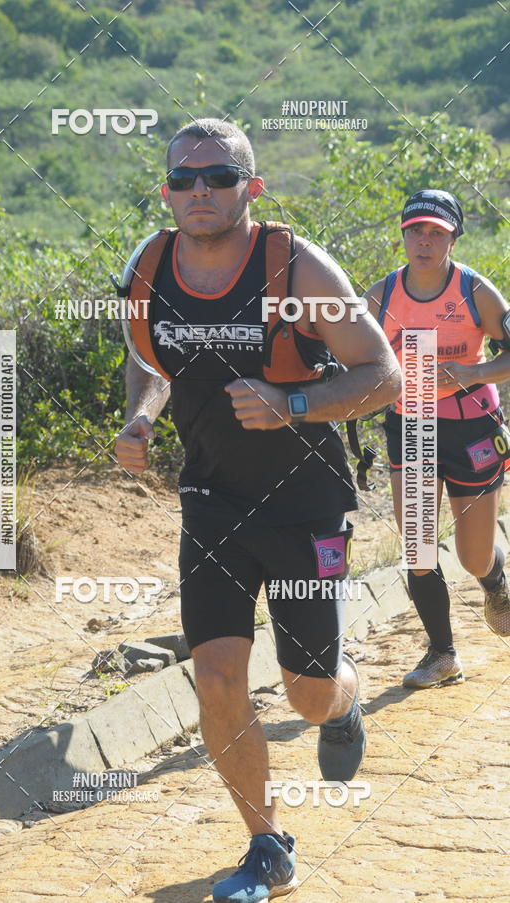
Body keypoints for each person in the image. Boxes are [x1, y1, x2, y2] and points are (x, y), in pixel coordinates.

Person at [116, 118, 401, 903]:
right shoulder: (150, 265)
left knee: (307, 692)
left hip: (306, 505)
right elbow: (146, 357)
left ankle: (344, 699)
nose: (198, 191)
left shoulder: (295, 266)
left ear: (252, 185)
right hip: (210, 502)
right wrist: (141, 416)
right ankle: (268, 843)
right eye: (183, 179)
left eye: (216, 176)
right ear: (168, 188)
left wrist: (293, 401)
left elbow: (383, 374)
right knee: (215, 677)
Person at [365, 189, 510, 691]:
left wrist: (473, 371)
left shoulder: (475, 291)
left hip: (472, 426)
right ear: (403, 234)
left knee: (472, 557)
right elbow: (359, 362)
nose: (424, 241)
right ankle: (442, 654)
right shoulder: (381, 297)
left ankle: (494, 578)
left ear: (452, 238)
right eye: (415, 231)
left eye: (436, 232)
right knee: (419, 548)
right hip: (413, 425)